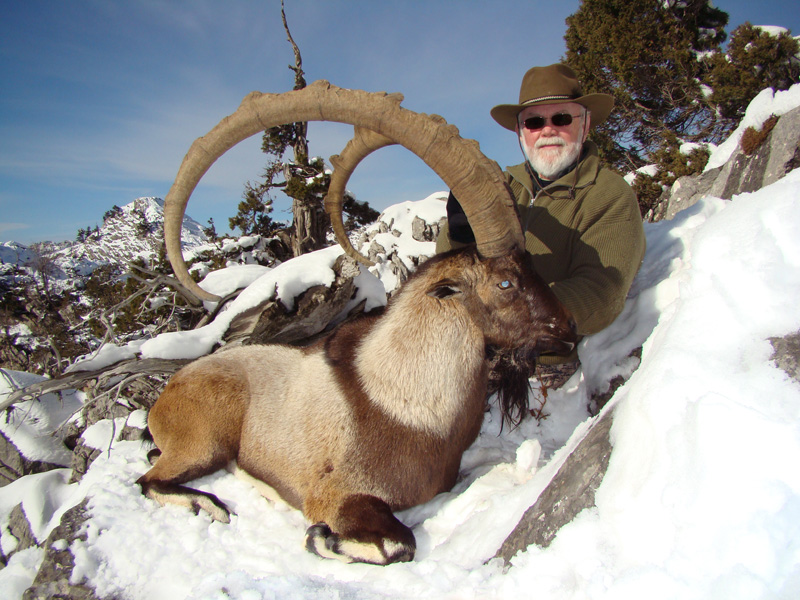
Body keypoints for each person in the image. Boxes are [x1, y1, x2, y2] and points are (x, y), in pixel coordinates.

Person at [436, 63, 646, 389]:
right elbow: (448, 270)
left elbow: (601, 294)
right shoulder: (501, 185)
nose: (547, 130)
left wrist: (508, 311)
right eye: (534, 122)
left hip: (541, 361)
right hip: (475, 344)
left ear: (585, 125)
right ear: (521, 132)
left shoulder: (610, 195)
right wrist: (458, 237)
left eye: (561, 118)